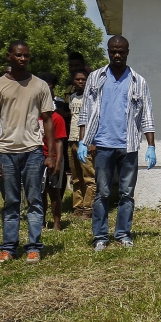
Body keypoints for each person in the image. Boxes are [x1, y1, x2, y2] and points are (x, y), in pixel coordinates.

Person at [77, 36, 157, 252]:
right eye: (113, 51)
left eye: (121, 51)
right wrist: (83, 141)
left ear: (128, 51)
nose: (117, 55)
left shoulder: (138, 82)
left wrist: (151, 145)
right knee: (102, 192)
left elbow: (147, 116)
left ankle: (123, 234)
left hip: (128, 146)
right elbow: (85, 112)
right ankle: (100, 236)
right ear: (108, 51)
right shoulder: (95, 78)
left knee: (126, 193)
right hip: (102, 145)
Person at [0, 41, 56, 263]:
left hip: (33, 151)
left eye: (26, 56)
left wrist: (51, 154)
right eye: (18, 55)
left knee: (34, 200)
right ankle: (8, 248)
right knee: (10, 201)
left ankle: (33, 247)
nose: (22, 59)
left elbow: (48, 120)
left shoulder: (40, 86)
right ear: (9, 56)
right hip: (6, 152)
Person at [37, 72, 69, 230]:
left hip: (55, 158)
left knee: (54, 192)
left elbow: (59, 142)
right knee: (40, 192)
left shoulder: (57, 118)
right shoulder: (35, 118)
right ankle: (41, 221)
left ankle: (57, 223)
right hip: (38, 158)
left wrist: (58, 162)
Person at [66, 70, 96, 215]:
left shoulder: (92, 98)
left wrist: (92, 141)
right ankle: (77, 206)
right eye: (77, 79)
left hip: (86, 141)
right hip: (72, 140)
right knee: (76, 177)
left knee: (88, 177)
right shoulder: (72, 98)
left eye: (83, 79)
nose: (80, 82)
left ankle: (88, 207)